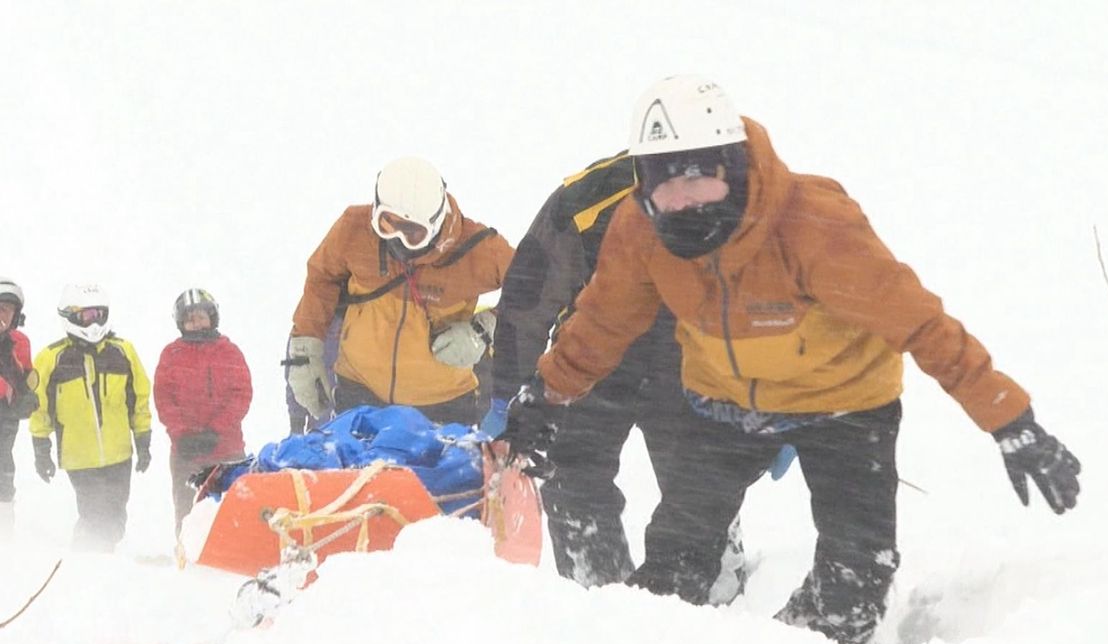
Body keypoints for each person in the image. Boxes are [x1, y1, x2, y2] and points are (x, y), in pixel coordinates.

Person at [502, 75, 1082, 644]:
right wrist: (546, 395)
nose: (680, 200)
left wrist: (1011, 420)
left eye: (698, 175)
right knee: (676, 563)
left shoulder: (814, 225)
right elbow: (602, 323)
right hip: (722, 405)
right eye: (662, 182)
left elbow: (923, 326)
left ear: (731, 164)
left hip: (846, 407)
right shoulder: (642, 229)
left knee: (855, 582)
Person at [488, 152, 747, 602]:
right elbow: (527, 300)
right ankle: (601, 601)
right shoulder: (584, 200)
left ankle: (716, 599)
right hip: (592, 360)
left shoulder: (734, 195)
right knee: (572, 478)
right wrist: (506, 391)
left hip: (689, 364)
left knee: (699, 486)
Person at [287, 157, 513, 426]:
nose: (398, 241)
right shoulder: (353, 229)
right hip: (359, 393)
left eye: (413, 232)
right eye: (388, 224)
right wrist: (304, 350)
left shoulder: (478, 249)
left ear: (437, 221)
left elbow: (536, 291)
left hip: (443, 405)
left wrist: (483, 329)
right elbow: (321, 278)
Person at [29, 284, 153, 552]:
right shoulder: (51, 358)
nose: (94, 321)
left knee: (117, 514)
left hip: (120, 454)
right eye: (86, 316)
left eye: (98, 314)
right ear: (69, 317)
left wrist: (143, 440)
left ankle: (91, 555)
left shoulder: (123, 351)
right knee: (94, 515)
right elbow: (38, 407)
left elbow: (139, 398)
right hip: (79, 456)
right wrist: (41, 448)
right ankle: (92, 563)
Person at [154, 288, 253, 533]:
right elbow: (164, 399)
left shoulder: (228, 351)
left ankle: (232, 558)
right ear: (181, 323)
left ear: (212, 316)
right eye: (189, 319)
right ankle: (187, 558)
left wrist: (215, 431)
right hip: (186, 453)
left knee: (232, 509)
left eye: (200, 316)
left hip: (227, 450)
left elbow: (241, 395)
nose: (196, 323)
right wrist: (183, 434)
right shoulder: (171, 354)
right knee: (188, 512)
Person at [0, 278, 37, 538]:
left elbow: (27, 379)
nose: (1, 313)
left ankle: (5, 534)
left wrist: (27, 398)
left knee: (3, 469)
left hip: (5, 418)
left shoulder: (20, 343)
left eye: (7, 308)